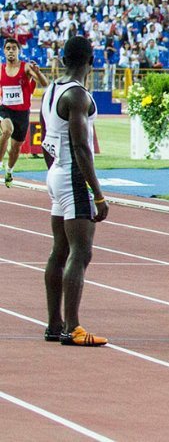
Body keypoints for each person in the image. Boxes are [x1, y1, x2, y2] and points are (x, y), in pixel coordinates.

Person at [40, 36, 109, 346]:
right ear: (90, 61)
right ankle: (73, 327)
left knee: (60, 250)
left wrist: (52, 171)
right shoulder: (78, 95)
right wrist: (98, 193)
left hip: (56, 172)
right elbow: (81, 146)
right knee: (81, 251)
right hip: (73, 177)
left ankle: (55, 324)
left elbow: (47, 138)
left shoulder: (52, 89)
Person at [1, 38, 48, 186]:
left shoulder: (26, 67)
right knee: (7, 130)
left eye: (14, 48)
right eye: (8, 48)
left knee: (16, 148)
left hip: (22, 113)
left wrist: (38, 73)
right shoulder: (1, 69)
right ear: (4, 51)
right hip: (5, 109)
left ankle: (9, 171)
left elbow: (45, 84)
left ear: (19, 51)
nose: (10, 51)